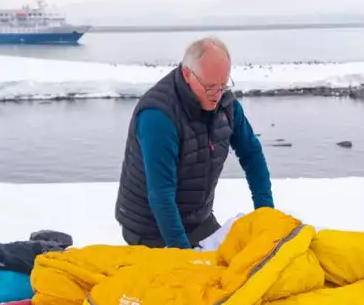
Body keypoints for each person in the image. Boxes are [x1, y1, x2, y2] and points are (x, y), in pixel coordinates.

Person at [115, 37, 274, 250]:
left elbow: (252, 155)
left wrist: (266, 216)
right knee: (194, 278)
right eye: (210, 87)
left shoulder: (226, 104)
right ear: (188, 75)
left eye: (223, 85)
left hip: (198, 220)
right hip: (150, 228)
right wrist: (184, 255)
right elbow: (161, 194)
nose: (217, 95)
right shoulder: (158, 117)